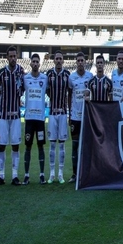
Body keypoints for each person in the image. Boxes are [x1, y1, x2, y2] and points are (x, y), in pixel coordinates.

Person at [0, 46, 25, 186]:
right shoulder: (2, 72)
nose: (12, 58)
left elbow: (23, 88)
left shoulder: (21, 72)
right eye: (10, 56)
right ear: (7, 57)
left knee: (16, 145)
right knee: (1, 145)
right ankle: (1, 176)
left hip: (16, 115)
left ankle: (14, 176)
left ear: (17, 56)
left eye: (14, 56)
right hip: (3, 115)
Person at [67, 52, 94, 184]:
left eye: (82, 60)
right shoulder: (71, 78)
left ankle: (86, 172)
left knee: (87, 145)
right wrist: (69, 114)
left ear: (85, 62)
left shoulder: (90, 76)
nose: (80, 63)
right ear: (76, 62)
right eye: (78, 60)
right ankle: (74, 173)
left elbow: (92, 95)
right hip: (75, 117)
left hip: (86, 117)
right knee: (75, 145)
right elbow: (69, 96)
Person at [22, 53, 48, 185]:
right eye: (34, 61)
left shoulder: (45, 78)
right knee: (28, 146)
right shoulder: (25, 78)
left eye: (38, 61)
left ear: (40, 64)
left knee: (40, 146)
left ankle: (42, 175)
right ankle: (26, 175)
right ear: (30, 63)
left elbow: (51, 92)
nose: (36, 63)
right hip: (29, 119)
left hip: (40, 119)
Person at [46, 50, 70, 184]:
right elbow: (48, 91)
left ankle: (60, 174)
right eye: (57, 58)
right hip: (52, 113)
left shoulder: (67, 75)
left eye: (61, 58)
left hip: (62, 114)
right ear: (54, 60)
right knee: (52, 144)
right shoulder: (49, 74)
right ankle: (51, 174)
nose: (59, 60)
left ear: (63, 60)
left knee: (61, 144)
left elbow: (70, 92)